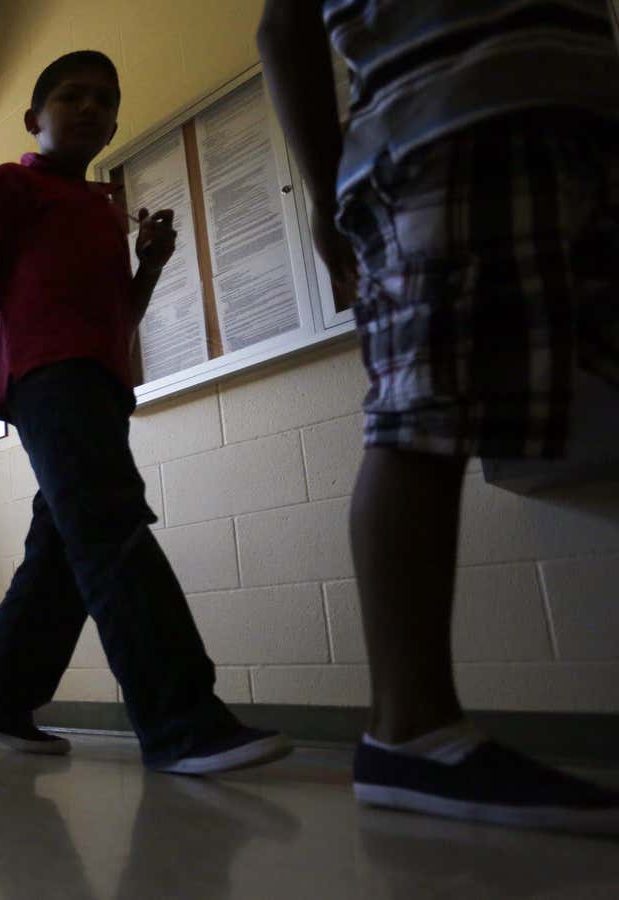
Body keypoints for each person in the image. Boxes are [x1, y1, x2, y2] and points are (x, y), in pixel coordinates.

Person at [258, 0, 619, 830]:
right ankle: (409, 729)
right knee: (422, 414)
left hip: (589, 121)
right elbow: (285, 23)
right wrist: (324, 198)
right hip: (447, 123)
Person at [0, 51, 291, 773]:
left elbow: (119, 320)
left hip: (100, 384)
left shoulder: (105, 208)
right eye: (72, 96)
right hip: (44, 379)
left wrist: (151, 265)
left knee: (66, 545)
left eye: (105, 99)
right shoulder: (11, 182)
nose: (91, 108)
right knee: (111, 523)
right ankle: (181, 719)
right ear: (35, 119)